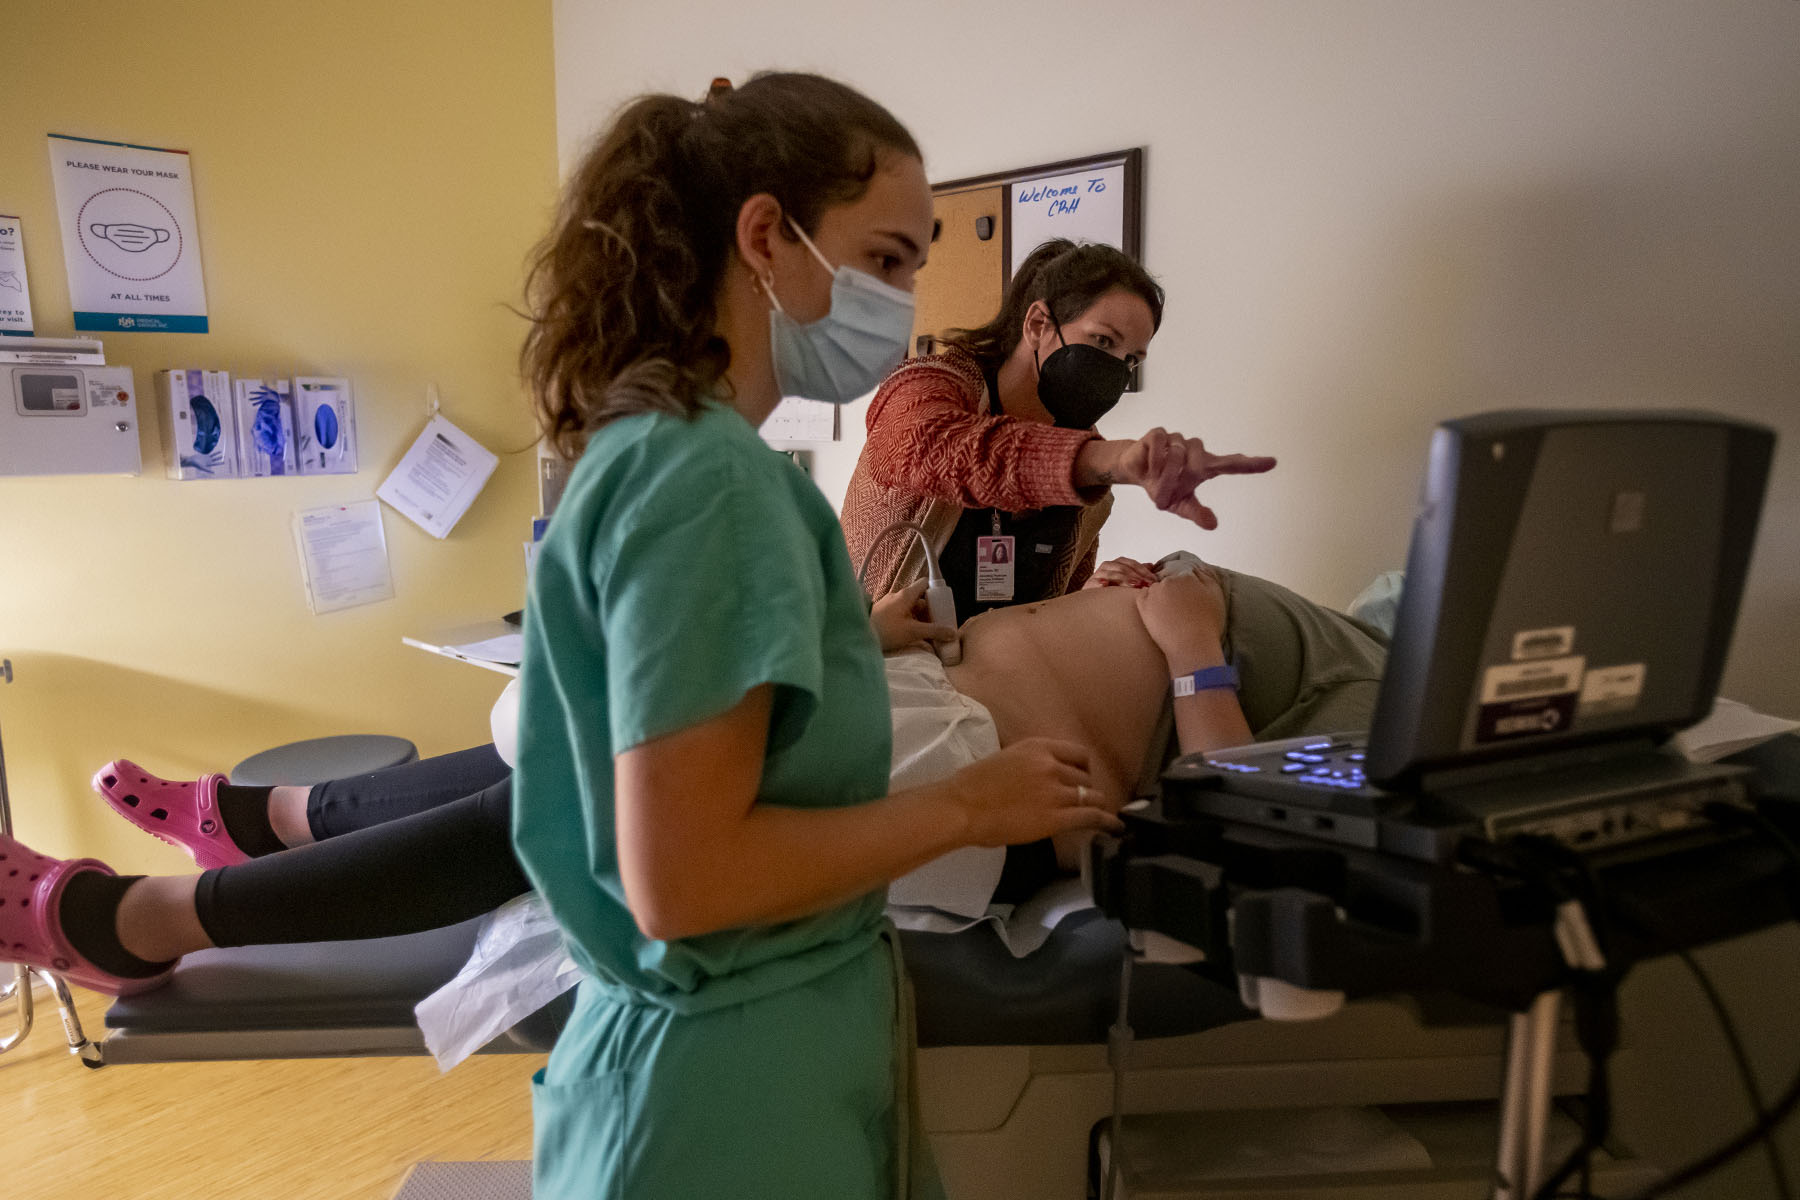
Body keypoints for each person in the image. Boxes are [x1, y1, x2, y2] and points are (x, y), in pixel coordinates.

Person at [0, 559, 1386, 1000]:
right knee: (553, 745)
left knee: (578, 806)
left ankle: (145, 924)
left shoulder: (1398, 700)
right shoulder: (1383, 622)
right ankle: (248, 831)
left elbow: (1269, 862)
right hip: (916, 693)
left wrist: (1198, 659)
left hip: (970, 768)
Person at [842, 238, 1279, 617]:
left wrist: (1093, 595)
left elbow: (1049, 611)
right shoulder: (931, 385)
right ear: (1037, 325)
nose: (1115, 369)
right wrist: (1109, 460)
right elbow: (925, 448)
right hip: (879, 673)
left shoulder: (1091, 482)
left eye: (1131, 360)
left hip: (992, 684)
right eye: (1103, 341)